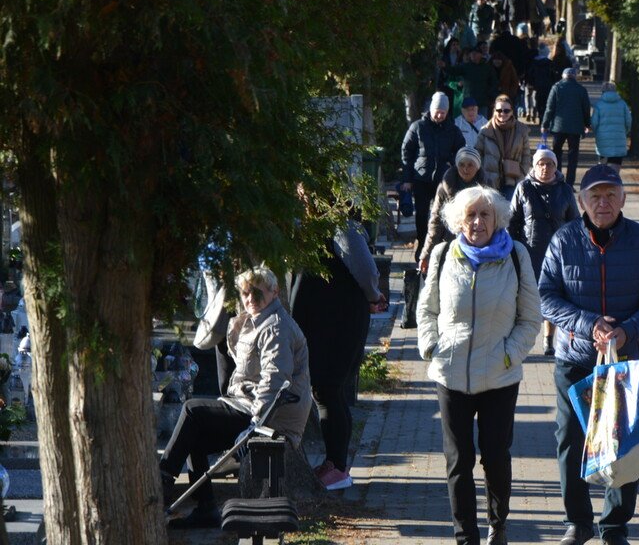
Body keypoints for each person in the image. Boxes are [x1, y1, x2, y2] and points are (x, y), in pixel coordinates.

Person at [539, 164, 639, 545]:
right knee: (570, 439)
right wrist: (588, 324)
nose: (603, 202)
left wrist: (626, 331)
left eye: (611, 194)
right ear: (581, 201)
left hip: (626, 360)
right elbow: (546, 296)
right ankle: (578, 522)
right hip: (574, 357)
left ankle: (614, 526)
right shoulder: (564, 240)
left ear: (624, 199)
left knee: (622, 442)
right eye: (595, 195)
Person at [418, 186, 540, 545]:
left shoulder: (516, 256)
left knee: (496, 457)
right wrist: (431, 347)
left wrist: (508, 354)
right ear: (459, 220)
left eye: (484, 214)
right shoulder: (443, 255)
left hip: (500, 376)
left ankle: (498, 525)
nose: (477, 222)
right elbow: (426, 310)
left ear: (497, 219)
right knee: (458, 462)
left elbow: (531, 318)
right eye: (470, 215)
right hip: (451, 374)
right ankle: (465, 536)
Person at [161, 267, 312, 528]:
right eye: (245, 292)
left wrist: (254, 425)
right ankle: (206, 507)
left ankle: (161, 485)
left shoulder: (275, 327)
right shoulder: (256, 319)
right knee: (195, 433)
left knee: (192, 410)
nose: (250, 298)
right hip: (250, 406)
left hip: (272, 416)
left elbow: (274, 382)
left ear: (274, 292)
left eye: (257, 292)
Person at [291, 210, 385, 491]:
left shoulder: (341, 225)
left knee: (329, 388)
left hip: (339, 318)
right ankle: (333, 463)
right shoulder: (309, 222)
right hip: (322, 318)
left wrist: (373, 294)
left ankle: (339, 467)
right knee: (324, 389)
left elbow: (366, 270)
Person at [509, 147, 579, 355]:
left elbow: (575, 222)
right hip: (529, 251)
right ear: (534, 165)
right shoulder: (523, 188)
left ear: (556, 167)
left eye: (550, 164)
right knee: (525, 297)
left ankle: (549, 340)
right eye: (541, 163)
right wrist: (511, 248)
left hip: (557, 253)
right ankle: (520, 338)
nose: (545, 168)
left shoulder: (565, 190)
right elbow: (512, 221)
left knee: (554, 295)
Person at [401, 92, 468, 259]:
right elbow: (406, 152)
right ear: (431, 110)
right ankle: (422, 245)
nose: (439, 115)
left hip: (444, 180)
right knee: (422, 214)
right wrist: (407, 179)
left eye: (443, 113)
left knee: (442, 214)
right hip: (421, 177)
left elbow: (461, 151)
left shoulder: (452, 130)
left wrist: (451, 163)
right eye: (437, 111)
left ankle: (441, 247)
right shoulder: (418, 127)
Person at [420, 146, 484, 272]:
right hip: (450, 240)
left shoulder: (486, 187)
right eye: (461, 164)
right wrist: (426, 254)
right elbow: (435, 221)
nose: (465, 169)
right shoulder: (445, 186)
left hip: (477, 244)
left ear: (477, 167)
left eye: (470, 165)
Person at [542, 68, 592, 186]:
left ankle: (557, 179)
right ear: (575, 76)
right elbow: (586, 109)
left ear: (563, 76)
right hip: (575, 128)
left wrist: (545, 124)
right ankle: (570, 182)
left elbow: (549, 108)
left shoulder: (556, 88)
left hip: (558, 127)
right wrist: (587, 124)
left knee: (556, 154)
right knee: (573, 156)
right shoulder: (581, 90)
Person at [479, 94, 533, 200]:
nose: (502, 113)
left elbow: (526, 155)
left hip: (513, 181)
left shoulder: (521, 130)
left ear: (512, 111)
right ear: (494, 111)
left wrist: (521, 175)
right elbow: (478, 154)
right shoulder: (485, 131)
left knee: (510, 214)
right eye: (499, 110)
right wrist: (483, 174)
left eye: (506, 111)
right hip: (490, 181)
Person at [443, 47, 500, 117]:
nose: (473, 55)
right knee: (466, 124)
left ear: (481, 55)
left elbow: (494, 83)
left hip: (483, 102)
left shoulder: (488, 68)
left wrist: (492, 97)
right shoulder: (465, 66)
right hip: (468, 101)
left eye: (475, 53)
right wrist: (445, 66)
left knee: (482, 124)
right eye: (472, 53)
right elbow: (454, 71)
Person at [591, 82, 632, 166]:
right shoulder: (622, 104)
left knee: (602, 167)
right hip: (619, 137)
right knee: (615, 168)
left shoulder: (599, 105)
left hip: (603, 139)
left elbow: (594, 123)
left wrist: (596, 133)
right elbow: (628, 121)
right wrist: (625, 132)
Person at [525, 45, 557, 123]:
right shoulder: (549, 63)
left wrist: (530, 82)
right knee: (546, 102)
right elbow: (553, 75)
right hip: (548, 85)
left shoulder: (533, 62)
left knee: (538, 101)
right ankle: (545, 118)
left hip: (537, 86)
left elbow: (530, 74)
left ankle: (540, 116)